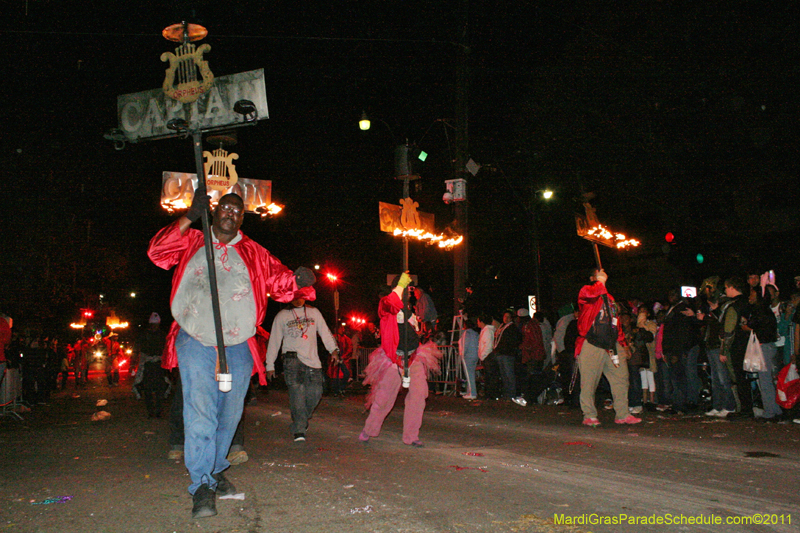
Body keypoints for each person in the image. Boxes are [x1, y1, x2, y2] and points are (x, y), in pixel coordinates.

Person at [147, 191, 316, 519]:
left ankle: (215, 467)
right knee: (201, 411)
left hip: (239, 343)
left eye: (236, 211)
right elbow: (157, 252)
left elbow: (281, 282)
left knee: (229, 414)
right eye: (223, 207)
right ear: (214, 212)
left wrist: (298, 280)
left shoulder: (254, 251)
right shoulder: (193, 240)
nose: (229, 213)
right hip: (195, 337)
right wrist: (189, 215)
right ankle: (201, 485)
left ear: (241, 218)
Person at [358, 272, 442, 446]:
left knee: (419, 395)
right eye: (406, 289)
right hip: (392, 359)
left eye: (409, 289)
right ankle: (370, 429)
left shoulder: (408, 311)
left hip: (414, 356)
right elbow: (390, 303)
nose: (409, 293)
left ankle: (411, 436)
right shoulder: (386, 305)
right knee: (383, 398)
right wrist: (400, 286)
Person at [265, 290, 338, 441]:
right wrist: (269, 364)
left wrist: (334, 350)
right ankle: (299, 429)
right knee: (297, 395)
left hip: (313, 361)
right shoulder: (282, 316)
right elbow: (274, 340)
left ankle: (301, 419)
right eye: (295, 297)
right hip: (292, 360)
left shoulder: (314, 312)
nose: (298, 300)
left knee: (316, 393)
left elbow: (325, 332)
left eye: (301, 296)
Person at [575, 268, 640, 426]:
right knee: (589, 381)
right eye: (598, 274)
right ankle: (589, 415)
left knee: (621, 378)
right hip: (591, 343)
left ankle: (622, 413)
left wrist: (623, 343)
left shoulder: (609, 298)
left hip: (611, 344)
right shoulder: (587, 291)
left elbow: (615, 323)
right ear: (593, 278)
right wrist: (600, 282)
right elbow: (589, 295)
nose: (602, 275)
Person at [134, 313, 169, 418]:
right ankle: (151, 411)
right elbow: (137, 349)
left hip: (159, 366)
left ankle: (157, 411)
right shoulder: (145, 335)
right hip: (148, 365)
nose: (154, 327)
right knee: (148, 389)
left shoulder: (162, 335)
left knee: (160, 389)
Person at [494, 310, 526, 406]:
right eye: (504, 316)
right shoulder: (501, 327)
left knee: (509, 375)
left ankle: (511, 395)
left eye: (508, 317)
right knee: (504, 375)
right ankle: (506, 394)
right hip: (500, 353)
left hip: (508, 354)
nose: (506, 319)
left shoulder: (512, 328)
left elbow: (516, 340)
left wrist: (510, 349)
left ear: (511, 318)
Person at [458, 317, 479, 400]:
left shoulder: (467, 333)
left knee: (469, 375)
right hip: (475, 355)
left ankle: (472, 393)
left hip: (468, 356)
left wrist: (462, 354)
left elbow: (465, 344)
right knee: (471, 374)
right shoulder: (475, 333)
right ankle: (469, 391)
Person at [328, 325, 353, 396]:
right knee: (335, 374)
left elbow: (349, 348)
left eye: (343, 328)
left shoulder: (346, 339)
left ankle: (341, 388)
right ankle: (336, 390)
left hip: (342, 359)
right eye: (341, 328)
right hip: (336, 359)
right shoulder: (334, 337)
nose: (343, 330)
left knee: (346, 373)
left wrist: (343, 356)